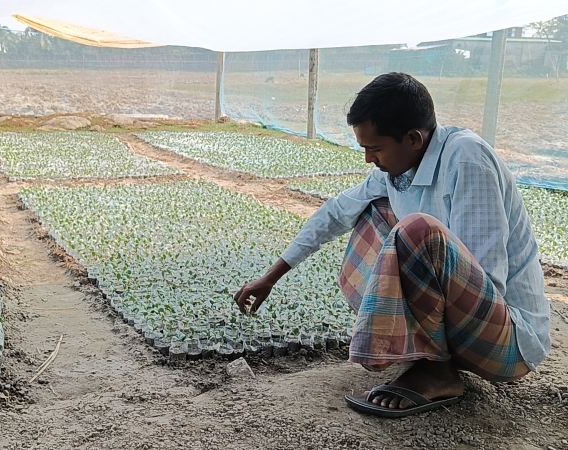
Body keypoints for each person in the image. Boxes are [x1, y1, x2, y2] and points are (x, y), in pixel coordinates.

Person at [233, 72, 551, 418]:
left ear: (413, 138)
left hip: (505, 341)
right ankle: (425, 357)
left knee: (417, 230)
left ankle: (436, 370)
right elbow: (336, 212)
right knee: (373, 213)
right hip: (464, 328)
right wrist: (273, 275)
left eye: (375, 148)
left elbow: (488, 280)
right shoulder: (397, 171)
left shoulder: (467, 159)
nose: (370, 159)